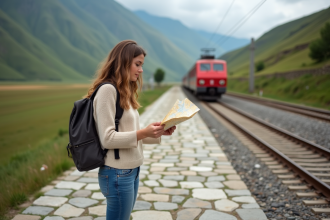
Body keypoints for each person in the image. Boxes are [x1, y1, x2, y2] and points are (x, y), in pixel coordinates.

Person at [85, 40, 176, 220]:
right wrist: (143, 132)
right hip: (117, 172)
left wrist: (157, 133)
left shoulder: (124, 90)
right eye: (138, 64)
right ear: (123, 62)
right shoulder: (107, 91)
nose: (141, 70)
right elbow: (108, 138)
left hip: (131, 170)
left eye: (141, 65)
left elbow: (129, 133)